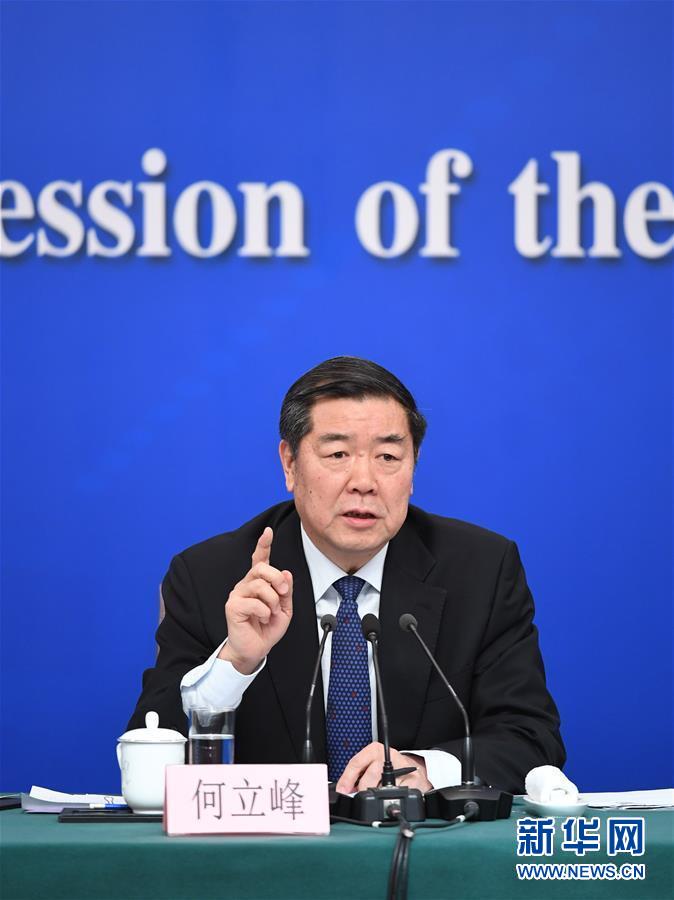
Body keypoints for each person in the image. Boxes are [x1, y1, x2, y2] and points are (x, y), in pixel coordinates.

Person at [128, 357, 564, 794]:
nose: (364, 481)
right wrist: (235, 664)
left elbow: (530, 738)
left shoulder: (481, 571)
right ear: (290, 464)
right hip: (271, 836)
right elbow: (151, 753)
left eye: (388, 456)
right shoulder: (211, 577)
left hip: (418, 834)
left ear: (413, 468)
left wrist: (424, 768)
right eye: (338, 454)